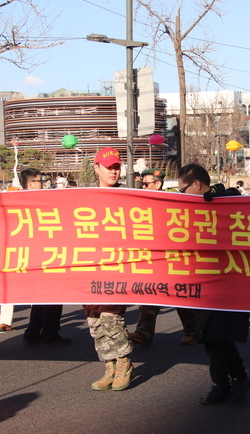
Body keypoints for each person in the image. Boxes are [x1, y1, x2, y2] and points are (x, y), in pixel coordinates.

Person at [177, 163, 250, 406]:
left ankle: (232, 381)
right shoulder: (188, 210)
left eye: (183, 189)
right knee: (212, 338)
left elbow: (240, 204)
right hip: (203, 281)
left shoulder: (225, 201)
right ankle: (230, 381)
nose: (181, 194)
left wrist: (221, 196)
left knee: (217, 336)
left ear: (197, 184)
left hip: (228, 282)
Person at [128, 168, 197, 347]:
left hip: (174, 258)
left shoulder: (174, 200)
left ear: (158, 184)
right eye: (142, 184)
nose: (143, 187)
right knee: (149, 293)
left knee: (180, 295)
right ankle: (144, 333)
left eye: (146, 184)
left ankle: (192, 331)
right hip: (153, 257)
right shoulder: (141, 202)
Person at [84, 147, 134, 391]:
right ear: (96, 168)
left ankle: (124, 363)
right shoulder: (83, 197)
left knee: (110, 316)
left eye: (117, 167)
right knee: (94, 319)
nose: (113, 172)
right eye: (108, 167)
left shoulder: (129, 196)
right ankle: (109, 367)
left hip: (117, 267)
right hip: (89, 267)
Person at [20, 168, 71, 347]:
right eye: (39, 181)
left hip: (35, 256)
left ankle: (32, 333)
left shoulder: (19, 202)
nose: (43, 184)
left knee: (40, 298)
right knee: (52, 296)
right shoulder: (32, 203)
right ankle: (49, 334)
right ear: (29, 184)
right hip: (44, 255)